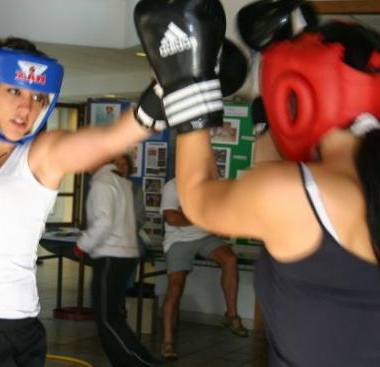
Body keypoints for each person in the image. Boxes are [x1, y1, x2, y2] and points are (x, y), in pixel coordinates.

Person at [135, 0, 380, 365]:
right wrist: (274, 68)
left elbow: (198, 198)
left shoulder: (295, 194)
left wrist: (186, 86)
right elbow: (270, 168)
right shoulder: (304, 190)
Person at [0, 37, 160, 367]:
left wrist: (160, 96)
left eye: (37, 96)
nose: (27, 108)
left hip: (7, 329)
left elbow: (109, 138)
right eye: (15, 91)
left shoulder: (41, 154)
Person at [75, 160, 161, 367]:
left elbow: (103, 222)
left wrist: (82, 244)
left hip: (111, 255)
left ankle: (139, 363)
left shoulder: (103, 183)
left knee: (107, 318)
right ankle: (140, 360)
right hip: (124, 253)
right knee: (112, 316)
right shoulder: (120, 181)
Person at [159, 177, 247, 359]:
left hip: (205, 236)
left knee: (230, 259)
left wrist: (203, 220)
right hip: (179, 240)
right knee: (176, 286)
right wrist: (201, 218)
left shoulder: (209, 184)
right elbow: (172, 217)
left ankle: (231, 316)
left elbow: (217, 215)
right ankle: (167, 342)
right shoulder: (173, 185)